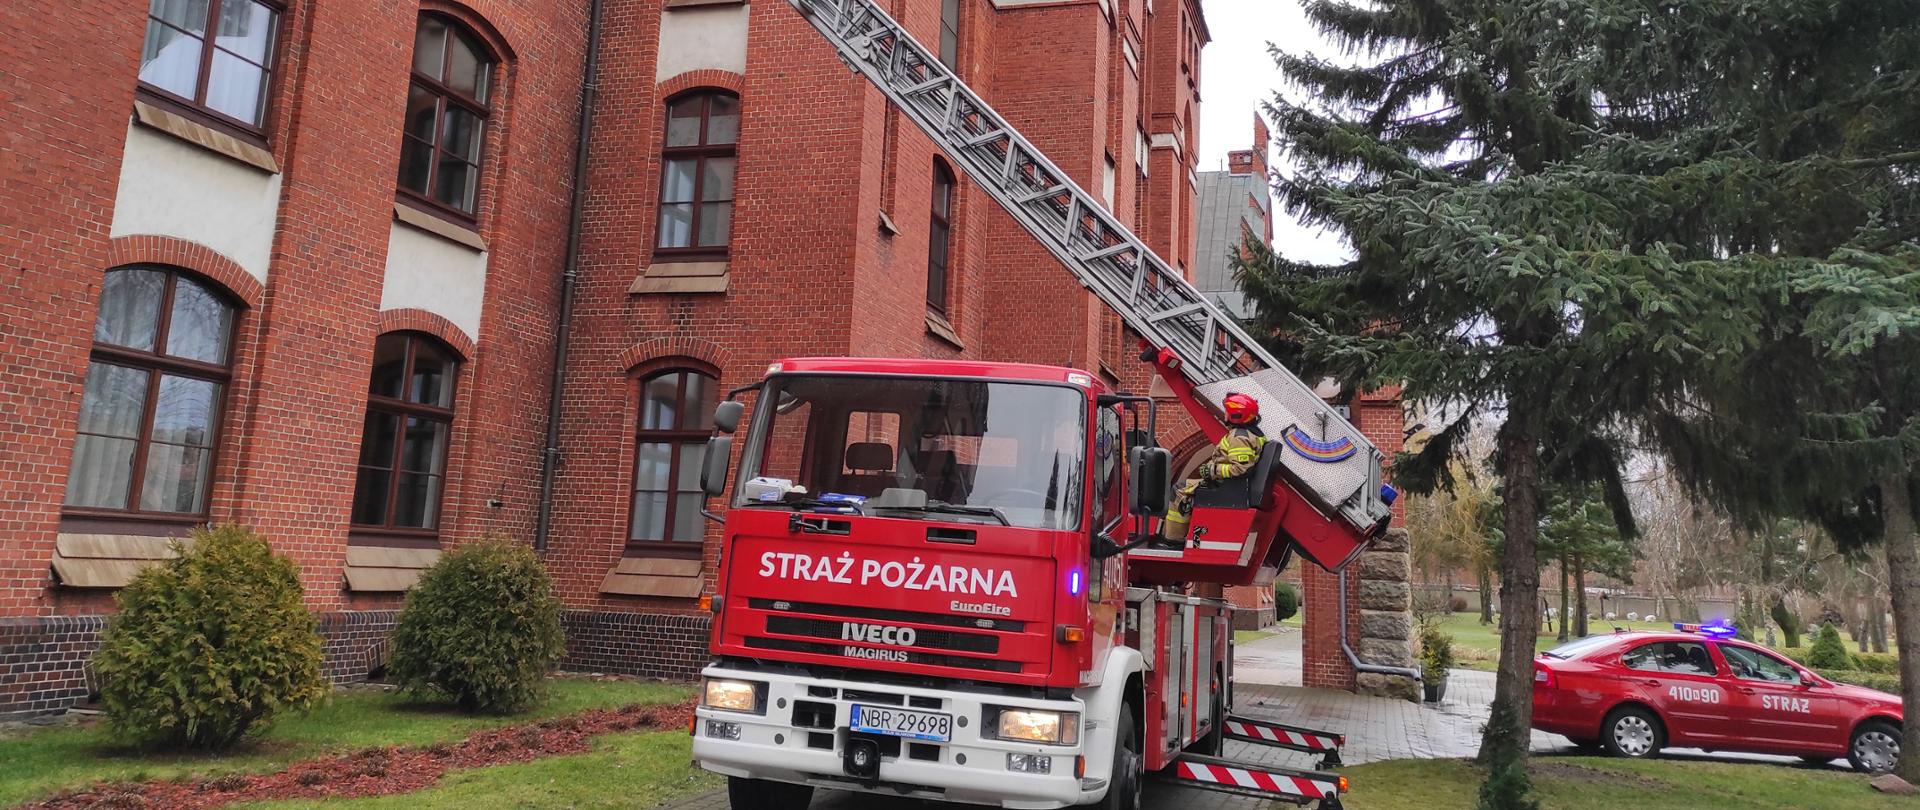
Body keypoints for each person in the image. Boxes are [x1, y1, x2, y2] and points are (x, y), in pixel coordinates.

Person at [1162, 393, 1266, 541]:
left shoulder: (1239, 437)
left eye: (1227, 412)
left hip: (1226, 486)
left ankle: (1173, 539)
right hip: (1231, 486)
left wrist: (1212, 470)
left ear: (1236, 415)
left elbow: (1241, 469)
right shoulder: (1252, 434)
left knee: (1179, 490)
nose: (1225, 414)